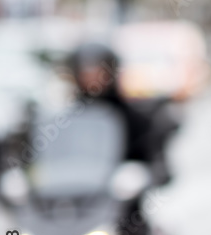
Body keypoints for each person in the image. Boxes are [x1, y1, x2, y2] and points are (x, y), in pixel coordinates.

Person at [68, 41, 175, 183]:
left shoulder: (133, 117)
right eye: (86, 73)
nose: (92, 80)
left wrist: (138, 175)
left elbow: (157, 164)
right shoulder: (69, 120)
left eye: (98, 73)